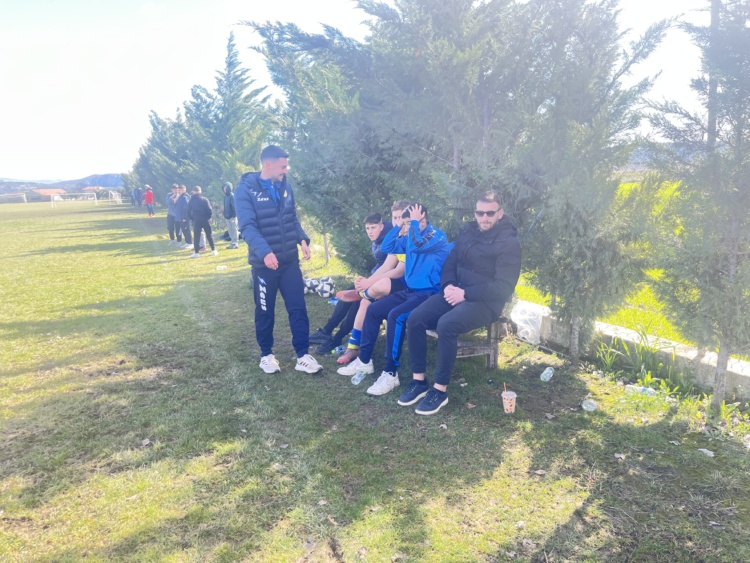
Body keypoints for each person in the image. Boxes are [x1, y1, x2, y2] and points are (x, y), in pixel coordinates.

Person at [398, 192, 522, 415]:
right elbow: (451, 261)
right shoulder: (468, 231)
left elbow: (504, 286)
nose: (484, 218)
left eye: (490, 213)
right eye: (480, 213)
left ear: (500, 213)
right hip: (455, 291)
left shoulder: (509, 243)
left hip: (486, 302)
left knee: (447, 324)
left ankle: (440, 390)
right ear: (475, 213)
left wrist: (465, 294)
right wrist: (447, 285)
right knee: (415, 318)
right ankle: (419, 381)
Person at [337, 203, 452, 397]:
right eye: (406, 223)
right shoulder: (409, 235)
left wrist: (412, 224)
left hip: (428, 294)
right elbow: (387, 246)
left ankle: (390, 372)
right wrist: (399, 226)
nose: (408, 226)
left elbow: (418, 244)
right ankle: (365, 361)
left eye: (412, 222)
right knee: (373, 310)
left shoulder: (436, 236)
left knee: (396, 316)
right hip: (410, 291)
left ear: (424, 219)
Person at [235, 145, 323, 374]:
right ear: (268, 164)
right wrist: (265, 252)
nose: (286, 170)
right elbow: (247, 227)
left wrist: (302, 239)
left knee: (298, 308)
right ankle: (266, 355)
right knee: (265, 311)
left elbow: (291, 218)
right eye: (283, 166)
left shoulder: (285, 187)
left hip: (289, 262)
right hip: (264, 266)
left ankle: (303, 356)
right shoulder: (245, 190)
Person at [330, 201, 411, 364]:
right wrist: (367, 281)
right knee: (366, 302)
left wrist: (370, 284)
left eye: (401, 218)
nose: (397, 222)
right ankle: (353, 348)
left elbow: (399, 271)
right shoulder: (399, 237)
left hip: (410, 287)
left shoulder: (414, 238)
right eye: (394, 218)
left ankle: (362, 293)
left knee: (380, 285)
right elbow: (387, 265)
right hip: (396, 284)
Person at [309, 212, 396, 355]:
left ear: (381, 226)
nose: (370, 232)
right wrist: (366, 281)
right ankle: (327, 331)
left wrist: (369, 282)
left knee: (359, 298)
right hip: (378, 278)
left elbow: (390, 268)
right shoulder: (380, 238)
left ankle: (337, 338)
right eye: (367, 228)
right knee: (351, 291)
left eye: (373, 228)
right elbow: (382, 266)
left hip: (390, 284)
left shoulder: (391, 239)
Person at [187, 186, 217, 258]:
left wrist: (192, 218)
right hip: (205, 219)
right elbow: (209, 210)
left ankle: (196, 252)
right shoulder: (204, 199)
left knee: (196, 236)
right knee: (209, 235)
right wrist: (208, 217)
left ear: (193, 192)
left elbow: (188, 211)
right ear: (200, 191)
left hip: (196, 220)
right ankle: (213, 250)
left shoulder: (191, 201)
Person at [174, 185, 193, 250]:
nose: (179, 191)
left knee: (186, 229)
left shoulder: (185, 197)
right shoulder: (180, 197)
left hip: (184, 217)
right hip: (180, 217)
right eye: (178, 190)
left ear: (184, 190)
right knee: (184, 230)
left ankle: (190, 243)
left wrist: (185, 217)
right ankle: (187, 242)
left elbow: (186, 208)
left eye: (180, 190)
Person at [222, 182, 239, 249]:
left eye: (226, 188)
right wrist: (224, 213)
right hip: (227, 217)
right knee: (230, 230)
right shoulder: (225, 197)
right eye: (224, 188)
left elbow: (234, 206)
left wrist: (234, 215)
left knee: (234, 230)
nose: (224, 189)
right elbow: (225, 206)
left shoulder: (232, 196)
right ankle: (232, 242)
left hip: (232, 217)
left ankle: (235, 243)